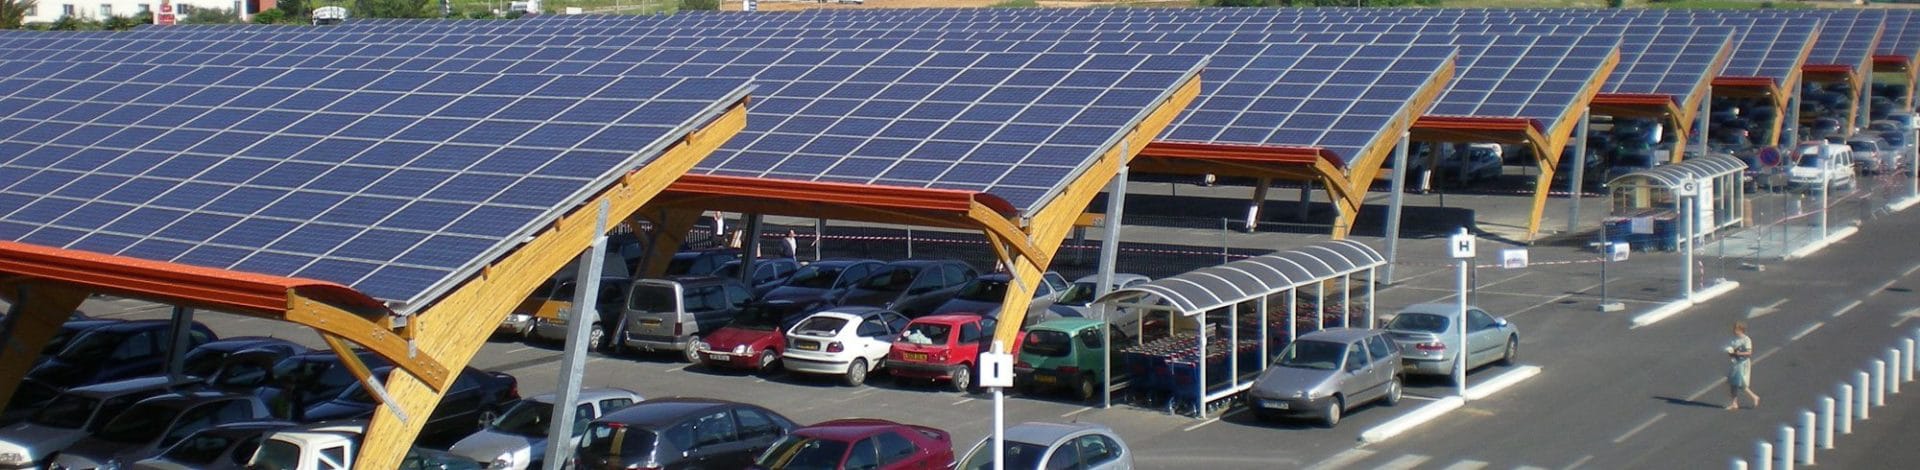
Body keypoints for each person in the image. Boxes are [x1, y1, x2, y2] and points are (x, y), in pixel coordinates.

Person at [1726, 321, 1760, 410]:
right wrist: (1731, 353)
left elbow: (1749, 352)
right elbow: (1733, 352)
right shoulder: (1734, 340)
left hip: (1743, 363)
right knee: (1732, 383)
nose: (1734, 331)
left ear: (1741, 330)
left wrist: (1739, 353)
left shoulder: (1746, 340)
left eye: (1736, 329)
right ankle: (1734, 403)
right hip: (1736, 363)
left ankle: (1754, 397)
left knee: (1741, 383)